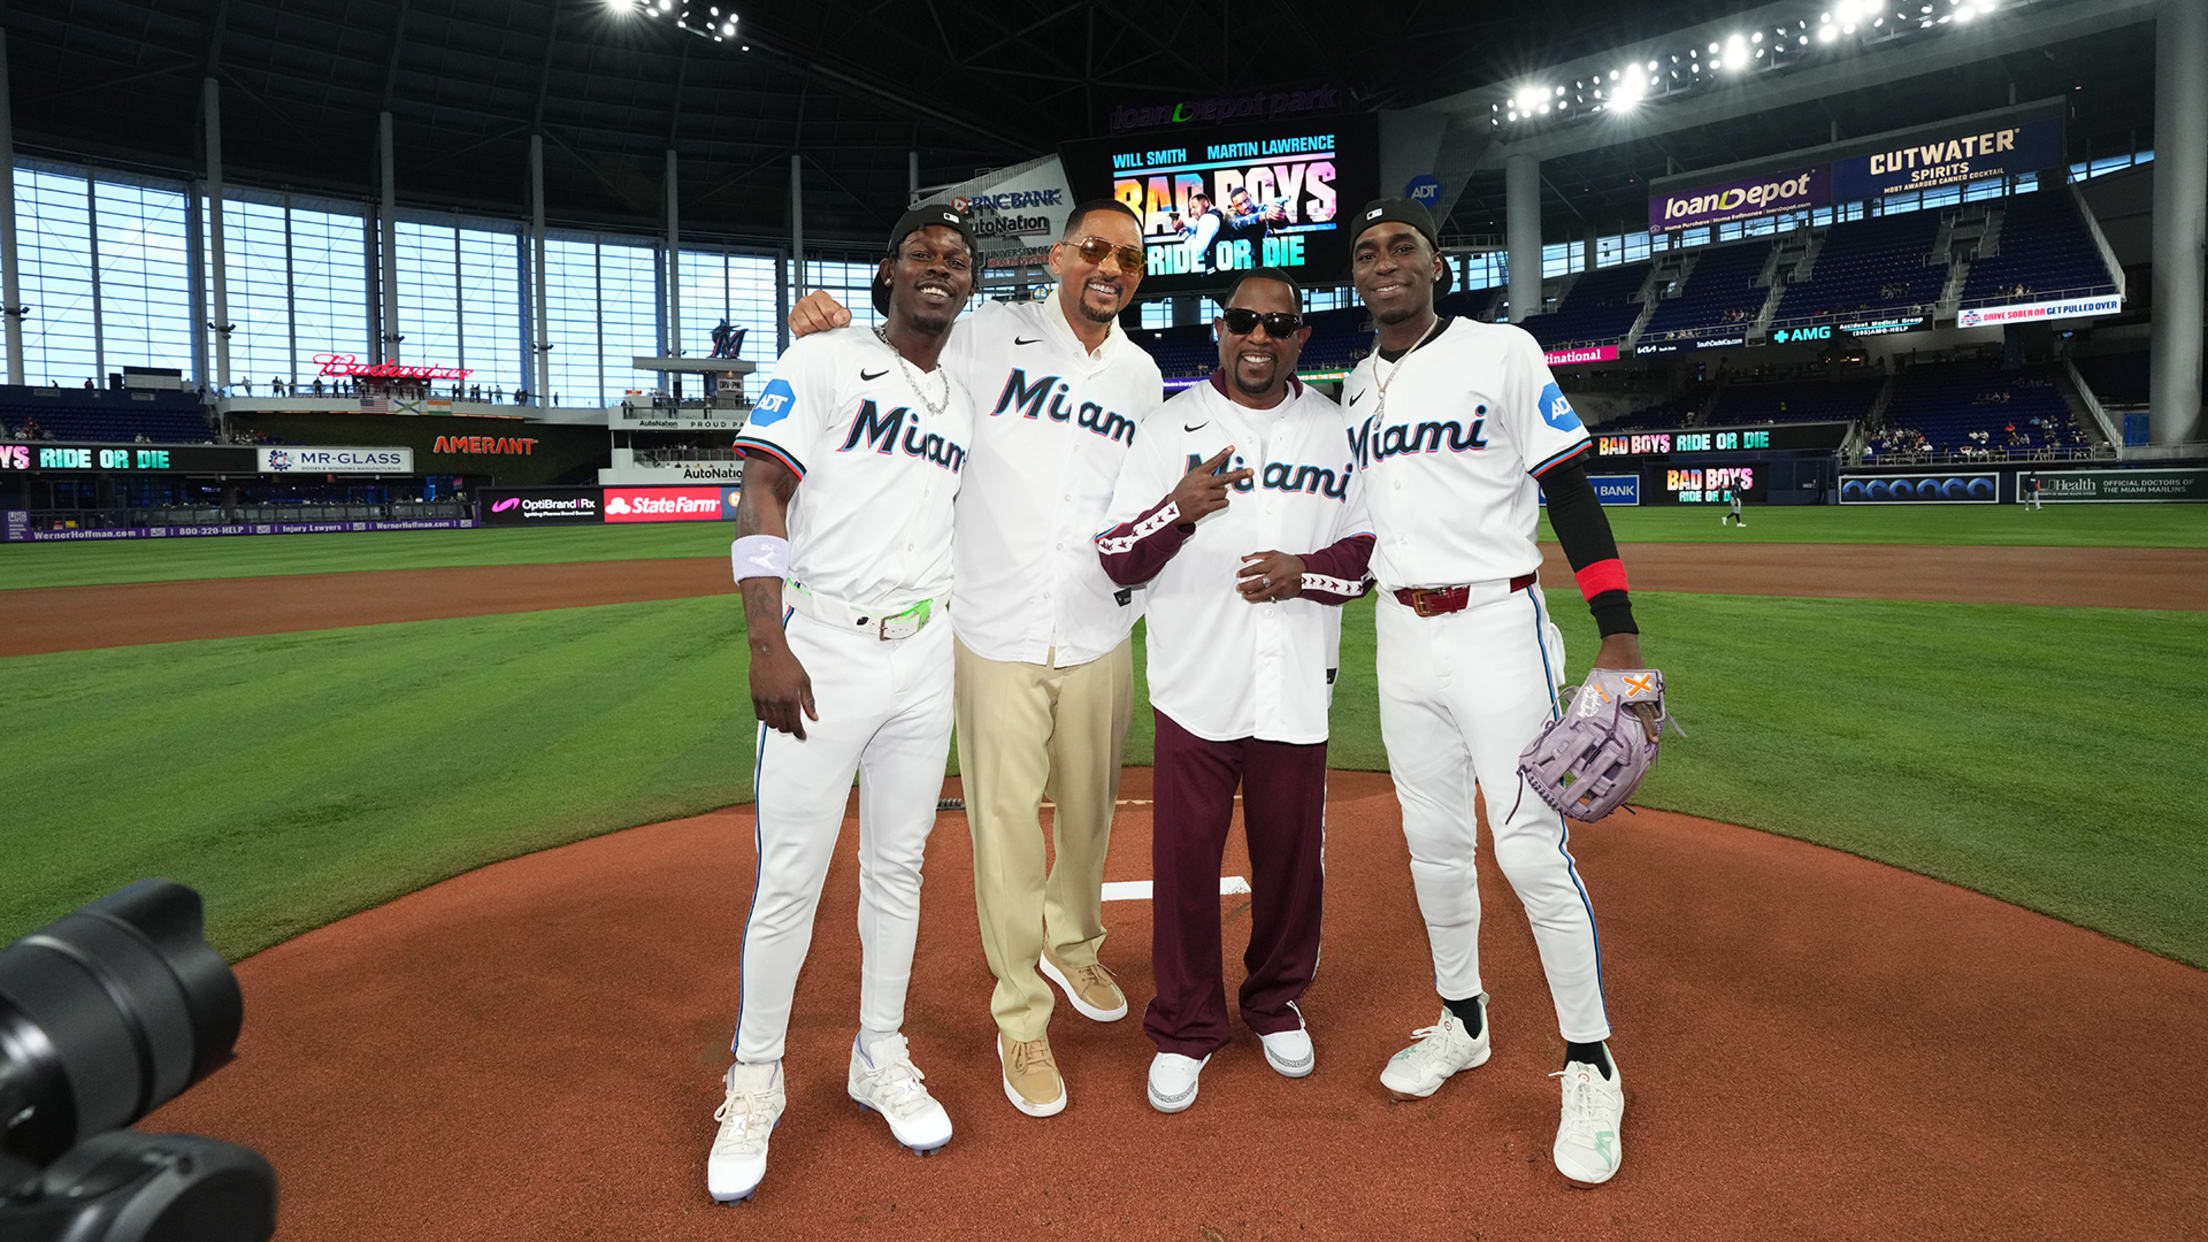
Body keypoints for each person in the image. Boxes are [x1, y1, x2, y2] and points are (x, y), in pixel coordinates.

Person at [790, 200, 1164, 1118]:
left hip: (1097, 628)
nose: (1107, 266)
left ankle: (1073, 947)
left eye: (1127, 255)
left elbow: (1144, 501)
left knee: (1086, 813)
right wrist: (826, 326)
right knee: (1004, 828)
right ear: (1056, 256)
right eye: (1091, 249)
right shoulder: (987, 334)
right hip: (993, 625)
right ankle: (1020, 1017)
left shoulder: (1143, 375)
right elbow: (895, 351)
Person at [1342, 198, 1662, 1188]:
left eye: (1404, 248)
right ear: (1356, 279)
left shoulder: (1502, 350)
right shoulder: (1358, 384)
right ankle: (1462, 1019)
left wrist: (1619, 634)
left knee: (1528, 848)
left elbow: (1567, 490)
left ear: (1438, 266)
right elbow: (1368, 534)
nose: (1386, 263)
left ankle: (1590, 1061)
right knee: (1430, 843)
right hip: (1401, 634)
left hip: (1497, 627)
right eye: (1368, 253)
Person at [708, 204, 981, 1203]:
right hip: (822, 646)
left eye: (955, 259)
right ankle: (755, 1079)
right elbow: (762, 491)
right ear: (887, 270)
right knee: (792, 874)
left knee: (898, 867)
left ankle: (878, 1052)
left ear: (969, 281)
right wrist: (767, 642)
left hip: (925, 652)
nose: (938, 268)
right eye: (920, 253)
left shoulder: (960, 394)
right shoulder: (822, 359)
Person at [1094, 269, 1371, 1113]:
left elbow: (1368, 556)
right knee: (1184, 867)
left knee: (1292, 865)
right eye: (1244, 322)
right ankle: (1184, 1023)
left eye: (1277, 325)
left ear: (1300, 339)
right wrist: (1177, 511)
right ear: (1220, 330)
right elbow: (1114, 556)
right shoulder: (1168, 425)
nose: (1259, 338)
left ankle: (1274, 1000)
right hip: (1195, 682)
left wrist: (1304, 576)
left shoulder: (1334, 429)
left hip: (1295, 681)